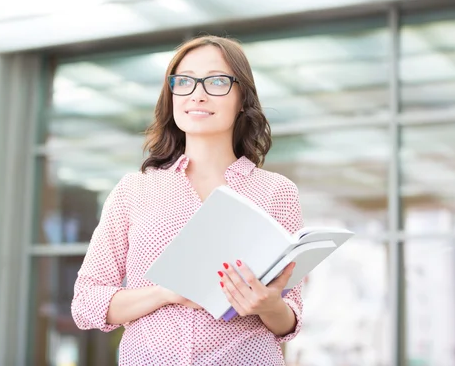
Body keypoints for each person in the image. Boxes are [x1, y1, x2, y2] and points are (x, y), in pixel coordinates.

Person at [71, 35, 305, 365]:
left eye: (216, 81)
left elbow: (291, 317)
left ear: (242, 99)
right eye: (184, 82)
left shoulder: (276, 192)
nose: (197, 94)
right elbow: (86, 303)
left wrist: (269, 305)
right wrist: (167, 293)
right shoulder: (134, 190)